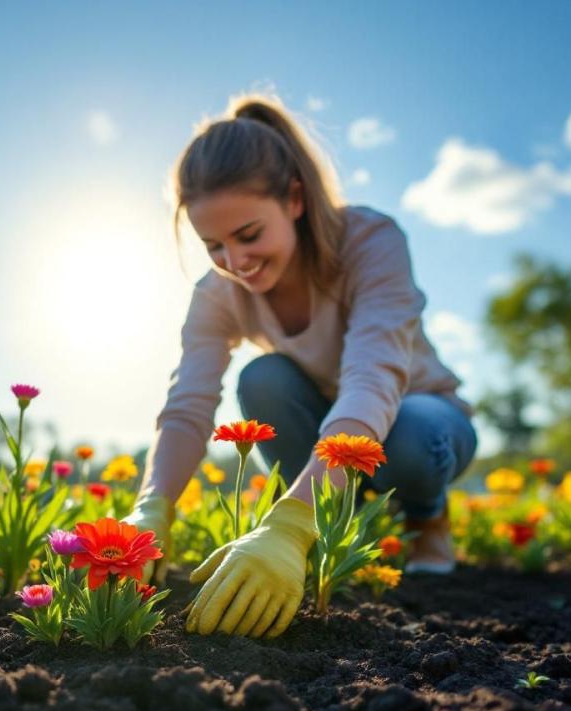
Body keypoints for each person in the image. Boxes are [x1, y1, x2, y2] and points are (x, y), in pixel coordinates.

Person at [124, 93, 477, 639]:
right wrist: (152, 509)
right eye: (213, 246)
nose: (235, 262)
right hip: (324, 425)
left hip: (421, 414)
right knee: (262, 380)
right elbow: (188, 405)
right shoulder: (217, 295)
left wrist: (290, 523)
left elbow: (373, 377)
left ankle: (424, 514)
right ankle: (325, 522)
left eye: (249, 235)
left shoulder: (369, 242)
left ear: (294, 199)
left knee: (412, 435)